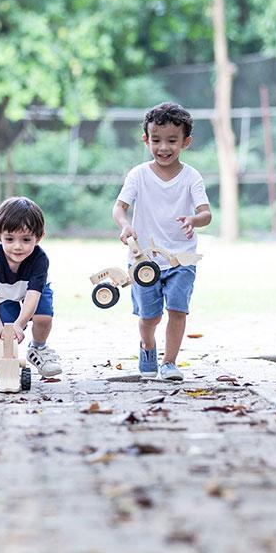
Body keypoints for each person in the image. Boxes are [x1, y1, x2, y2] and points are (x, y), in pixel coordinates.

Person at [112, 102, 211, 382]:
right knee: (150, 318)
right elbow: (118, 208)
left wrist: (194, 219)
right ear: (146, 139)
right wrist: (125, 225)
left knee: (178, 310)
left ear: (186, 142)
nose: (163, 148)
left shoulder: (192, 177)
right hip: (143, 258)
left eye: (172, 141)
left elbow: (206, 214)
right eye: (156, 140)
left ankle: (169, 363)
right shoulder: (138, 175)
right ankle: (148, 345)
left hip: (182, 258)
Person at [0, 196, 62, 378]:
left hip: (32, 289)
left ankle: (38, 348)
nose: (17, 247)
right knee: (8, 331)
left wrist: (21, 323)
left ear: (39, 237)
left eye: (26, 240)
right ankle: (8, 365)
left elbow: (33, 295)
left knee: (43, 318)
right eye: (9, 239)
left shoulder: (40, 259)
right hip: (4, 294)